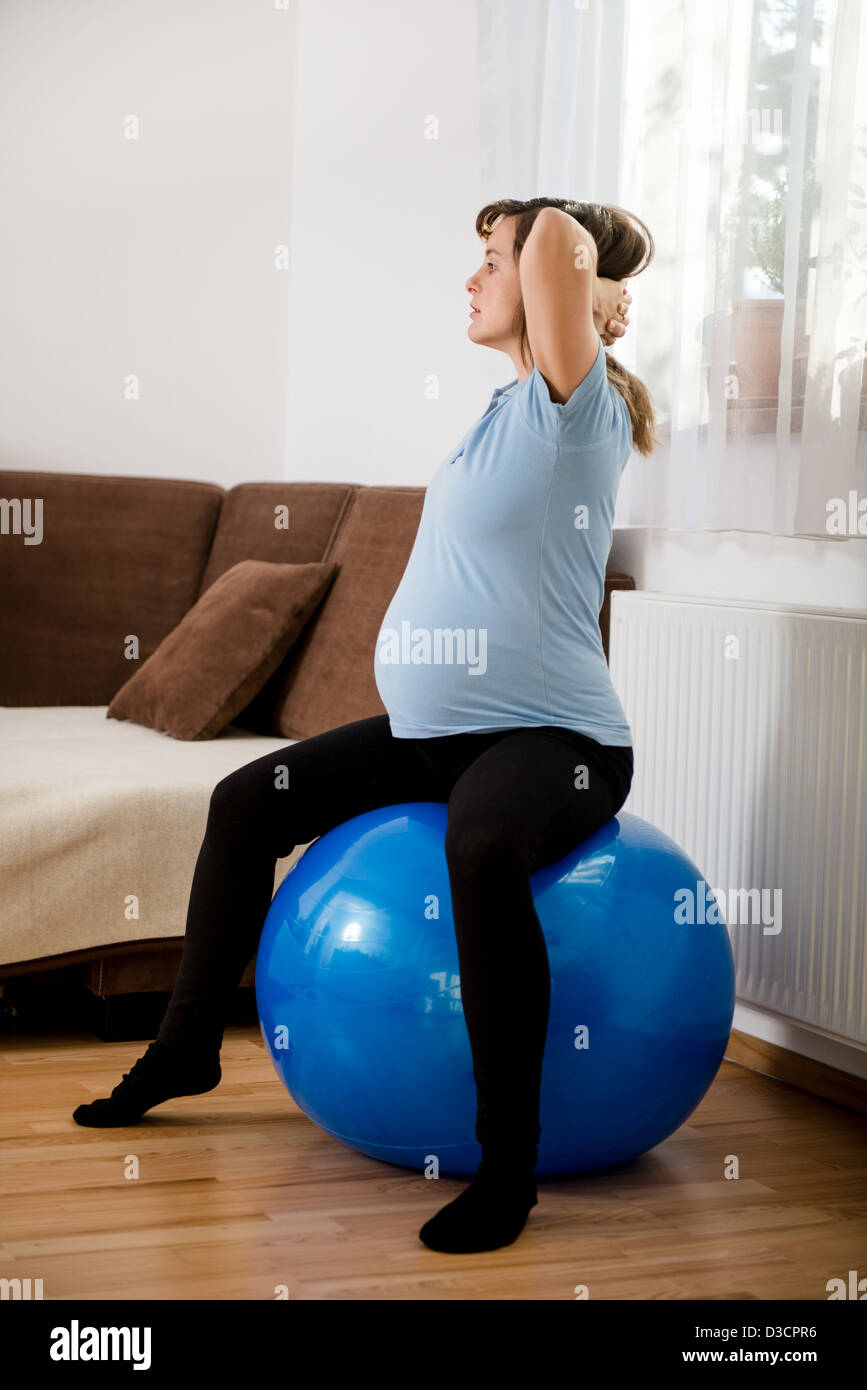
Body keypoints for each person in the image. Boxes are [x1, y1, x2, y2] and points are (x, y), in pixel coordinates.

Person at [73, 196, 660, 1255]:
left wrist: (568, 260)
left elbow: (565, 249)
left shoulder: (575, 409)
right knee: (246, 800)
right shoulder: (503, 408)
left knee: (481, 850)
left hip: (558, 743)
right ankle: (186, 1046)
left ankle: (508, 1169)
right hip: (440, 734)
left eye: (492, 261)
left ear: (543, 281)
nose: (474, 280)